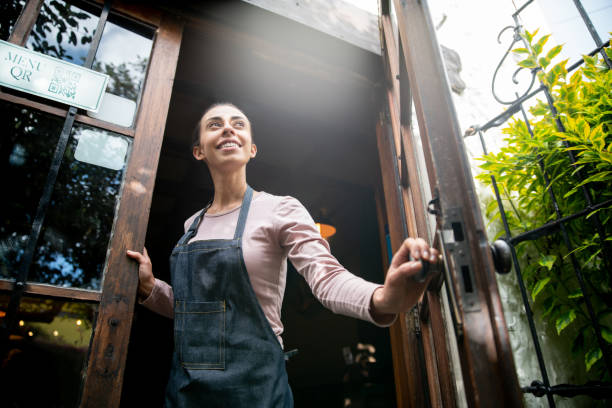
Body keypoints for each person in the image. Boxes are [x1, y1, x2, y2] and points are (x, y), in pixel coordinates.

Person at [126, 102, 439, 408]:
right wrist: (151, 287)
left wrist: (383, 299)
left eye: (238, 124)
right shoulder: (191, 225)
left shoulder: (279, 208)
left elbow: (326, 279)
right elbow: (198, 311)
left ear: (252, 149)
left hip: (256, 390)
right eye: (214, 124)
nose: (227, 129)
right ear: (199, 151)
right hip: (186, 391)